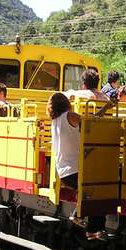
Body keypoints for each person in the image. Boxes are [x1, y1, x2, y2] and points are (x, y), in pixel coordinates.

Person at [47, 93, 106, 240]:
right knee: (98, 190)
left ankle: (79, 217)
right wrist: (106, 108)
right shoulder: (69, 116)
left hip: (64, 171)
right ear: (66, 103)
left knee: (89, 192)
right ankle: (89, 226)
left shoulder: (55, 121)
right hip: (75, 168)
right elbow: (90, 122)